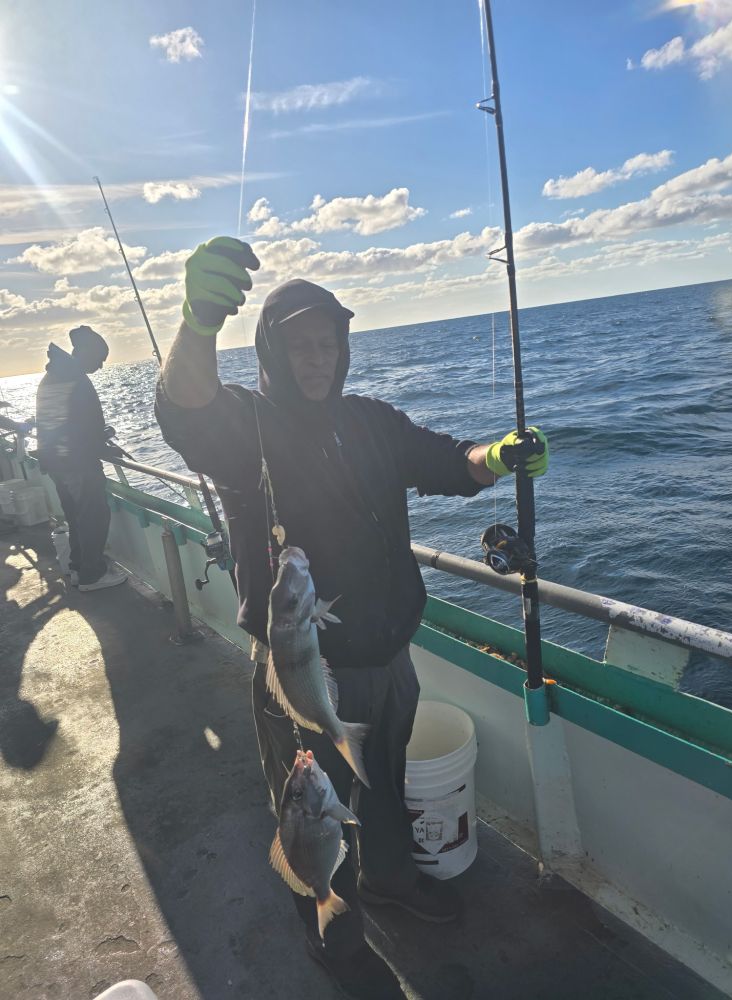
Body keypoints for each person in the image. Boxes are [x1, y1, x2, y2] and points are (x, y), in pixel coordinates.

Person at [155, 238, 549, 999]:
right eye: (299, 344)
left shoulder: (371, 420)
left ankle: (394, 879)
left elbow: (448, 460)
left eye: (328, 343)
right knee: (309, 809)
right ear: (270, 350)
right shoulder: (248, 428)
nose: (317, 358)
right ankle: (332, 928)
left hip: (390, 658)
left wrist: (498, 455)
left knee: (388, 783)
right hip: (302, 674)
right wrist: (199, 321)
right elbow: (184, 409)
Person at [35, 326, 127, 591]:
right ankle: (92, 575)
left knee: (75, 516)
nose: (101, 366)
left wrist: (99, 437)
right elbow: (84, 430)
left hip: (57, 461)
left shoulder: (55, 374)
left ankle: (78, 568)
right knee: (93, 516)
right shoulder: (74, 378)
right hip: (75, 464)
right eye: (99, 359)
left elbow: (66, 424)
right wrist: (104, 445)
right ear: (85, 352)